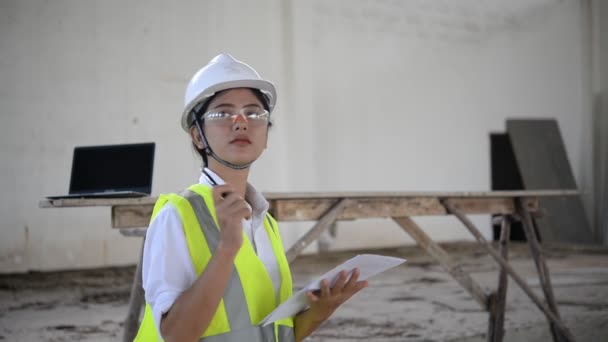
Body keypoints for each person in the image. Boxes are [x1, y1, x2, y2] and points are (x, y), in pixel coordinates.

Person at [134, 53, 368, 342]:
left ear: (266, 136)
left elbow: (268, 333)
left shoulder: (265, 223)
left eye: (254, 113)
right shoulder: (177, 215)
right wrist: (227, 249)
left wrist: (318, 313)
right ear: (197, 137)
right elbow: (176, 336)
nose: (241, 122)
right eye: (223, 113)